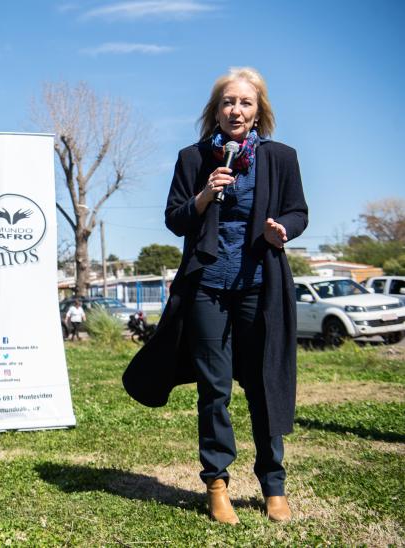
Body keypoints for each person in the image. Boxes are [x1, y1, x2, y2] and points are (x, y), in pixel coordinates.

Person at [122, 68, 307, 524]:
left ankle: (274, 485)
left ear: (259, 109)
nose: (236, 110)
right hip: (206, 286)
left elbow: (297, 211)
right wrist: (205, 195)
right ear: (215, 110)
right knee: (215, 388)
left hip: (260, 287)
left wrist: (283, 231)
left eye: (245, 102)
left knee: (264, 385)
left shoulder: (281, 158)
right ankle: (218, 484)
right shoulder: (194, 157)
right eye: (228, 102)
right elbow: (175, 218)